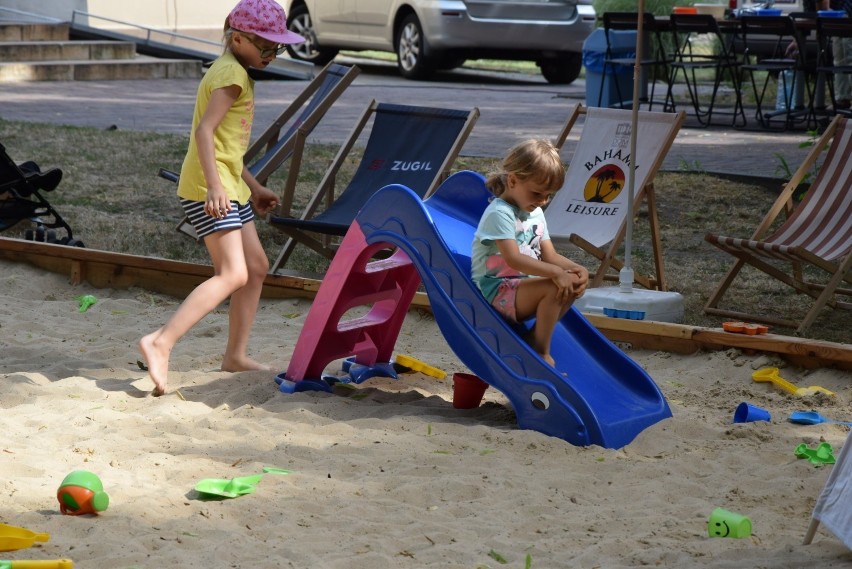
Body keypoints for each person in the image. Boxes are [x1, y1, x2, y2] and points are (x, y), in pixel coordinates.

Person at [139, 0, 304, 395]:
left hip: (228, 185)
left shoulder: (234, 71)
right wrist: (215, 186)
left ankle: (235, 356)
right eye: (265, 46)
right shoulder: (231, 76)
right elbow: (204, 133)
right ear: (238, 39)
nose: (271, 54)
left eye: (276, 47)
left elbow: (226, 148)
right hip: (209, 189)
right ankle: (160, 341)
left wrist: (253, 185)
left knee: (256, 265)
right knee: (233, 273)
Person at [471, 139, 589, 367]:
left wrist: (576, 269)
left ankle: (535, 336)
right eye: (537, 194)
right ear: (513, 180)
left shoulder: (535, 211)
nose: (543, 202)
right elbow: (514, 259)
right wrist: (555, 273)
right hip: (498, 290)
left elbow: (550, 256)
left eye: (548, 196)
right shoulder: (499, 213)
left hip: (523, 288)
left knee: (571, 281)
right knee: (556, 283)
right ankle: (540, 349)